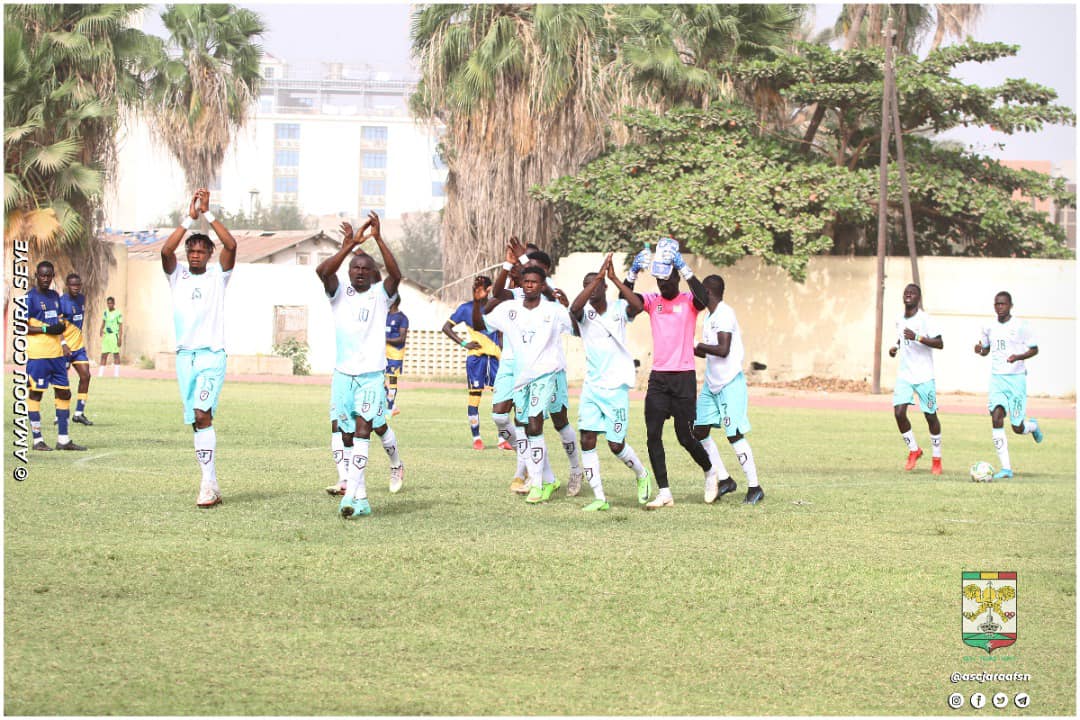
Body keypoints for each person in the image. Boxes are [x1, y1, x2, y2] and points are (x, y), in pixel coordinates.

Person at [317, 212, 406, 518]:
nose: (358, 272)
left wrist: (378, 239)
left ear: (372, 273)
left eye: (365, 268)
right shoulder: (339, 294)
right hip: (343, 376)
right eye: (355, 267)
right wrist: (349, 246)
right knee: (345, 436)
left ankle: (350, 497)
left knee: (364, 429)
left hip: (370, 377)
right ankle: (363, 499)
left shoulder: (381, 297)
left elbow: (397, 275)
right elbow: (322, 271)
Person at [160, 188, 236, 508]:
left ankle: (206, 485)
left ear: (209, 255)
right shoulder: (176, 276)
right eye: (191, 249)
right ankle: (213, 483)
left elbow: (231, 245)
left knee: (203, 414)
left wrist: (209, 214)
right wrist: (188, 220)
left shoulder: (219, 277)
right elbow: (165, 251)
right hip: (184, 358)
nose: (195, 254)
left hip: (211, 356)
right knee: (196, 418)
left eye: (202, 250)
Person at [624, 240, 714, 509]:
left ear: (675, 276)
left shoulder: (689, 301)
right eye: (659, 281)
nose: (663, 285)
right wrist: (631, 275)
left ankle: (710, 472)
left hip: (684, 377)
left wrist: (684, 267)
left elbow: (704, 299)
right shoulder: (653, 301)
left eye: (667, 280)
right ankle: (664, 492)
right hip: (659, 378)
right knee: (653, 435)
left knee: (685, 436)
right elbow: (627, 307)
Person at [488, 240, 581, 494]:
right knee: (516, 420)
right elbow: (495, 297)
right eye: (527, 268)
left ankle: (574, 470)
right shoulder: (517, 293)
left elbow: (571, 321)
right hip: (515, 366)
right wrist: (510, 264)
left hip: (550, 369)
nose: (529, 272)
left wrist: (525, 264)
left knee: (559, 423)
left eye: (535, 269)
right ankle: (535, 472)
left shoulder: (551, 295)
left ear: (544, 275)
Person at [569, 254, 651, 511]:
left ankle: (641, 474)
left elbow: (638, 306)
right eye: (587, 285)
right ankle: (599, 498)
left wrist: (614, 278)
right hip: (592, 387)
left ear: (604, 287)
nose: (591, 289)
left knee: (616, 445)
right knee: (587, 440)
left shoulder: (618, 310)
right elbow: (574, 308)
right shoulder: (584, 315)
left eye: (596, 285)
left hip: (615, 388)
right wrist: (595, 282)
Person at [692, 274, 764, 505]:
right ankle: (724, 479)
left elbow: (723, 349)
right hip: (711, 383)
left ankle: (755, 487)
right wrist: (690, 346)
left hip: (729, 383)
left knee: (733, 434)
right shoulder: (709, 315)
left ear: (709, 292)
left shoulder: (725, 313)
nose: (698, 296)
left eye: (701, 291)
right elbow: (707, 351)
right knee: (699, 430)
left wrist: (697, 345)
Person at [973, 291, 1044, 480]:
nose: (999, 307)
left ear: (1010, 305)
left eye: (1003, 304)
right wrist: (980, 350)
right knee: (996, 417)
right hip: (997, 379)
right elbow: (986, 349)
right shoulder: (988, 326)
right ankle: (1006, 469)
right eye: (997, 304)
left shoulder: (1021, 326)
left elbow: (1034, 349)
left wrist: (1018, 357)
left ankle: (1032, 426)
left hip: (1016, 380)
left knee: (1017, 427)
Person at [441, 275, 509, 450]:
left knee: (501, 398)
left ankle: (502, 439)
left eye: (480, 288)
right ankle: (476, 438)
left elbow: (502, 333)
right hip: (476, 359)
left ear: (488, 289)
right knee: (475, 398)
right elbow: (446, 327)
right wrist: (464, 343)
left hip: (495, 359)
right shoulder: (466, 309)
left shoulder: (496, 308)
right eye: (474, 288)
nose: (477, 291)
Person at [26, 261, 87, 451]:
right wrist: (45, 328)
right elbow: (22, 327)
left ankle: (63, 439)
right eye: (42, 275)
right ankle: (37, 440)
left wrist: (61, 332)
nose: (45, 278)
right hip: (39, 356)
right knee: (36, 393)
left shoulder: (54, 296)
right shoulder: (29, 298)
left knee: (64, 392)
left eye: (49, 275)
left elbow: (59, 319)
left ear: (53, 276)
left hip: (57, 355)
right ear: (36, 275)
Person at [888, 284, 943, 475]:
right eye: (906, 293)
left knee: (930, 416)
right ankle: (914, 450)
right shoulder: (899, 319)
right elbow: (901, 339)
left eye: (912, 293)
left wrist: (917, 337)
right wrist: (895, 347)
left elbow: (939, 342)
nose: (908, 295)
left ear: (918, 298)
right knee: (898, 413)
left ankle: (937, 459)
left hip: (924, 376)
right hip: (905, 375)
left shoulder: (925, 319)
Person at [58, 272, 94, 425]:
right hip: (64, 348)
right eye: (73, 285)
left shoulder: (82, 299)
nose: (76, 288)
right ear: (67, 285)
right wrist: (63, 344)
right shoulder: (61, 302)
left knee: (86, 376)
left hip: (78, 348)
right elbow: (57, 327)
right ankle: (59, 412)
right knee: (62, 381)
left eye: (78, 285)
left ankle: (79, 413)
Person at [385, 296, 409, 416]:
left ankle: (389, 408)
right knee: (378, 378)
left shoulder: (402, 318)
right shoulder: (384, 315)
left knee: (392, 379)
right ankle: (392, 405)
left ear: (394, 302)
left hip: (395, 353)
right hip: (383, 352)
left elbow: (401, 338)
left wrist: (385, 340)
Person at [99, 296, 123, 377]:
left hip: (114, 336)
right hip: (107, 336)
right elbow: (103, 321)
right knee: (104, 354)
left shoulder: (118, 313)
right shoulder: (105, 312)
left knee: (116, 355)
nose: (109, 305)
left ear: (114, 304)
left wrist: (120, 338)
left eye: (111, 303)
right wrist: (101, 329)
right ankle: (100, 374)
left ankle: (116, 375)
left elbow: (120, 326)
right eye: (108, 303)